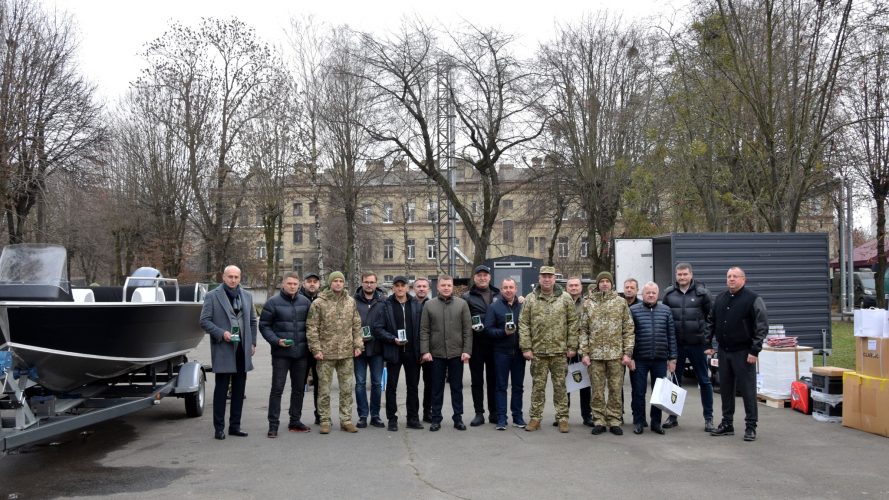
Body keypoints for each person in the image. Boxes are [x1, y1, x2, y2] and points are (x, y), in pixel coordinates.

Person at [708, 267, 768, 442]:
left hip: (744, 352)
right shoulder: (720, 299)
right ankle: (727, 423)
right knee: (725, 389)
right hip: (724, 351)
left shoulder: (752, 299)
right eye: (729, 276)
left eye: (735, 276)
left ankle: (751, 426)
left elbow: (761, 326)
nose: (731, 279)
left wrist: (755, 350)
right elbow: (711, 322)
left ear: (744, 279)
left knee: (747, 390)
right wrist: (708, 343)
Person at [200, 265, 257, 440]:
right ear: (223, 277)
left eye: (236, 277)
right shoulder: (212, 296)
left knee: (239, 390)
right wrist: (220, 333)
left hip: (242, 349)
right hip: (224, 348)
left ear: (240, 278)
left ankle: (235, 426)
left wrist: (252, 343)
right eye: (230, 276)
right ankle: (219, 427)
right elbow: (204, 321)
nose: (233, 280)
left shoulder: (247, 296)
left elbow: (253, 322)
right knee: (221, 390)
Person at [519, 266, 579, 433]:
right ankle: (535, 418)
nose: (547, 279)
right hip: (538, 352)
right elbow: (523, 324)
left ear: (554, 279)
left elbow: (573, 323)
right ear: (539, 278)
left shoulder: (565, 298)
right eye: (544, 276)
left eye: (550, 277)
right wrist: (526, 347)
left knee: (560, 387)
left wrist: (572, 346)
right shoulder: (531, 299)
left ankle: (562, 418)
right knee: (538, 387)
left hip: (559, 352)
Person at [306, 271, 364, 434]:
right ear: (330, 283)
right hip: (325, 354)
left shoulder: (350, 302)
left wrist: (358, 345)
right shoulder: (319, 303)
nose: (338, 283)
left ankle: (346, 420)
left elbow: (356, 325)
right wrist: (316, 349)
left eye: (341, 281)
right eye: (335, 281)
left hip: (346, 353)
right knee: (324, 390)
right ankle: (324, 420)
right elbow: (312, 328)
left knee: (346, 389)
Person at [579, 271, 635, 436]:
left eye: (607, 281)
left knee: (615, 389)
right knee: (597, 390)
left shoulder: (620, 303)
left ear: (611, 284)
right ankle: (599, 420)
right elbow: (583, 330)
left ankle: (614, 420)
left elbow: (628, 329)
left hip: (616, 355)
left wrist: (627, 353)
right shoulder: (589, 304)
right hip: (595, 356)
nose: (604, 284)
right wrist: (584, 353)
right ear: (597, 284)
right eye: (601, 281)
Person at [661, 263, 715, 432]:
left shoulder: (703, 294)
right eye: (679, 275)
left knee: (704, 381)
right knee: (674, 382)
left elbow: (711, 319)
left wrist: (708, 343)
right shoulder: (669, 294)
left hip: (697, 345)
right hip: (676, 345)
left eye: (685, 274)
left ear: (691, 275)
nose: (682, 277)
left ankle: (708, 418)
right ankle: (672, 416)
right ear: (676, 276)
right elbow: (665, 320)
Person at [259, 271, 312, 437]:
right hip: (281, 354)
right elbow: (264, 326)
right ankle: (273, 424)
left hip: (301, 354)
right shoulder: (272, 303)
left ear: (299, 285)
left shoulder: (305, 302)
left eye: (295, 284)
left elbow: (311, 326)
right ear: (283, 283)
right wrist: (276, 341)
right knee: (277, 389)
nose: (292, 287)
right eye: (289, 284)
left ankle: (295, 420)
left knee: (298, 389)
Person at [420, 274, 472, 431]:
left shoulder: (462, 304)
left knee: (456, 387)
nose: (446, 288)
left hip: (457, 353)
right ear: (438, 287)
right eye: (443, 285)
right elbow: (424, 330)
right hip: (436, 354)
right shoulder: (429, 305)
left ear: (453, 287)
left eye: (449, 285)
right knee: (437, 387)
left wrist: (467, 350)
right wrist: (425, 351)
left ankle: (458, 418)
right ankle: (436, 418)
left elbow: (467, 330)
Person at [628, 282, 677, 435]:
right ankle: (639, 421)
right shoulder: (633, 310)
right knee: (639, 392)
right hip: (640, 358)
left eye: (653, 293)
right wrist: (630, 357)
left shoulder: (666, 311)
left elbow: (671, 335)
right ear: (642, 294)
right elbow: (629, 335)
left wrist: (673, 358)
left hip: (660, 359)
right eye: (647, 293)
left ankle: (656, 422)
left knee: (659, 393)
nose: (650, 295)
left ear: (658, 294)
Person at [376, 276, 424, 431]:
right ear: (393, 288)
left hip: (412, 352)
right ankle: (392, 419)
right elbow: (379, 329)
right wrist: (393, 339)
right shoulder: (386, 305)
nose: (400, 288)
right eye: (397, 286)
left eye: (403, 285)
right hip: (394, 352)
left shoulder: (415, 304)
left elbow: (423, 329)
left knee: (413, 387)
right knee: (391, 387)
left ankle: (413, 418)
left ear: (407, 287)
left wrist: (422, 351)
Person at [484, 278, 526, 429]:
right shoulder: (494, 307)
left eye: (511, 287)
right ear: (501, 290)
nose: (508, 290)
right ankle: (501, 418)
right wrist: (504, 332)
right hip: (501, 353)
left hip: (519, 353)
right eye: (505, 287)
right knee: (500, 387)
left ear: (516, 289)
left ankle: (518, 417)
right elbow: (488, 330)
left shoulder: (523, 305)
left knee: (518, 386)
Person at [462, 265, 499, 427]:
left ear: (489, 277)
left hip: (495, 344)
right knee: (477, 381)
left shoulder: (498, 294)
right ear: (474, 278)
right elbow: (462, 319)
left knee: (493, 380)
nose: (482, 278)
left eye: (485, 275)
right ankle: (479, 413)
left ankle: (494, 412)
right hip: (476, 344)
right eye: (479, 275)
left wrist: (520, 299)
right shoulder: (467, 297)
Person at [353, 271, 387, 429]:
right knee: (360, 383)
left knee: (376, 384)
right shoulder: (352, 301)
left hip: (377, 349)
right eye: (366, 282)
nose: (369, 284)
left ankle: (375, 415)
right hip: (358, 349)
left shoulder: (383, 301)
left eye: (372, 282)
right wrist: (357, 338)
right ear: (361, 282)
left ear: (376, 283)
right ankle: (362, 415)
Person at [563, 277, 593, 427]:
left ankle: (587, 415)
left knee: (584, 384)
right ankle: (563, 416)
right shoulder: (561, 302)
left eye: (576, 285)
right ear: (566, 288)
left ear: (581, 288)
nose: (574, 288)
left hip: (582, 350)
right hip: (565, 349)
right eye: (571, 285)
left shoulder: (587, 304)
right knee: (564, 384)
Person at [300, 272, 322, 424]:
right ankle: (295, 416)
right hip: (301, 348)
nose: (312, 284)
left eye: (315, 281)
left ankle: (320, 415)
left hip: (319, 349)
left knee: (320, 384)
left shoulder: (322, 300)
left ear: (319, 284)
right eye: (309, 281)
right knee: (299, 384)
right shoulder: (298, 299)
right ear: (304, 284)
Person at [413, 278, 434, 423]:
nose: (421, 289)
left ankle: (428, 412)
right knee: (413, 385)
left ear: (429, 289)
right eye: (418, 286)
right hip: (413, 352)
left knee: (430, 384)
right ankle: (413, 414)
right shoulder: (409, 304)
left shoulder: (433, 305)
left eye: (424, 286)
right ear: (413, 289)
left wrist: (426, 350)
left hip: (430, 352)